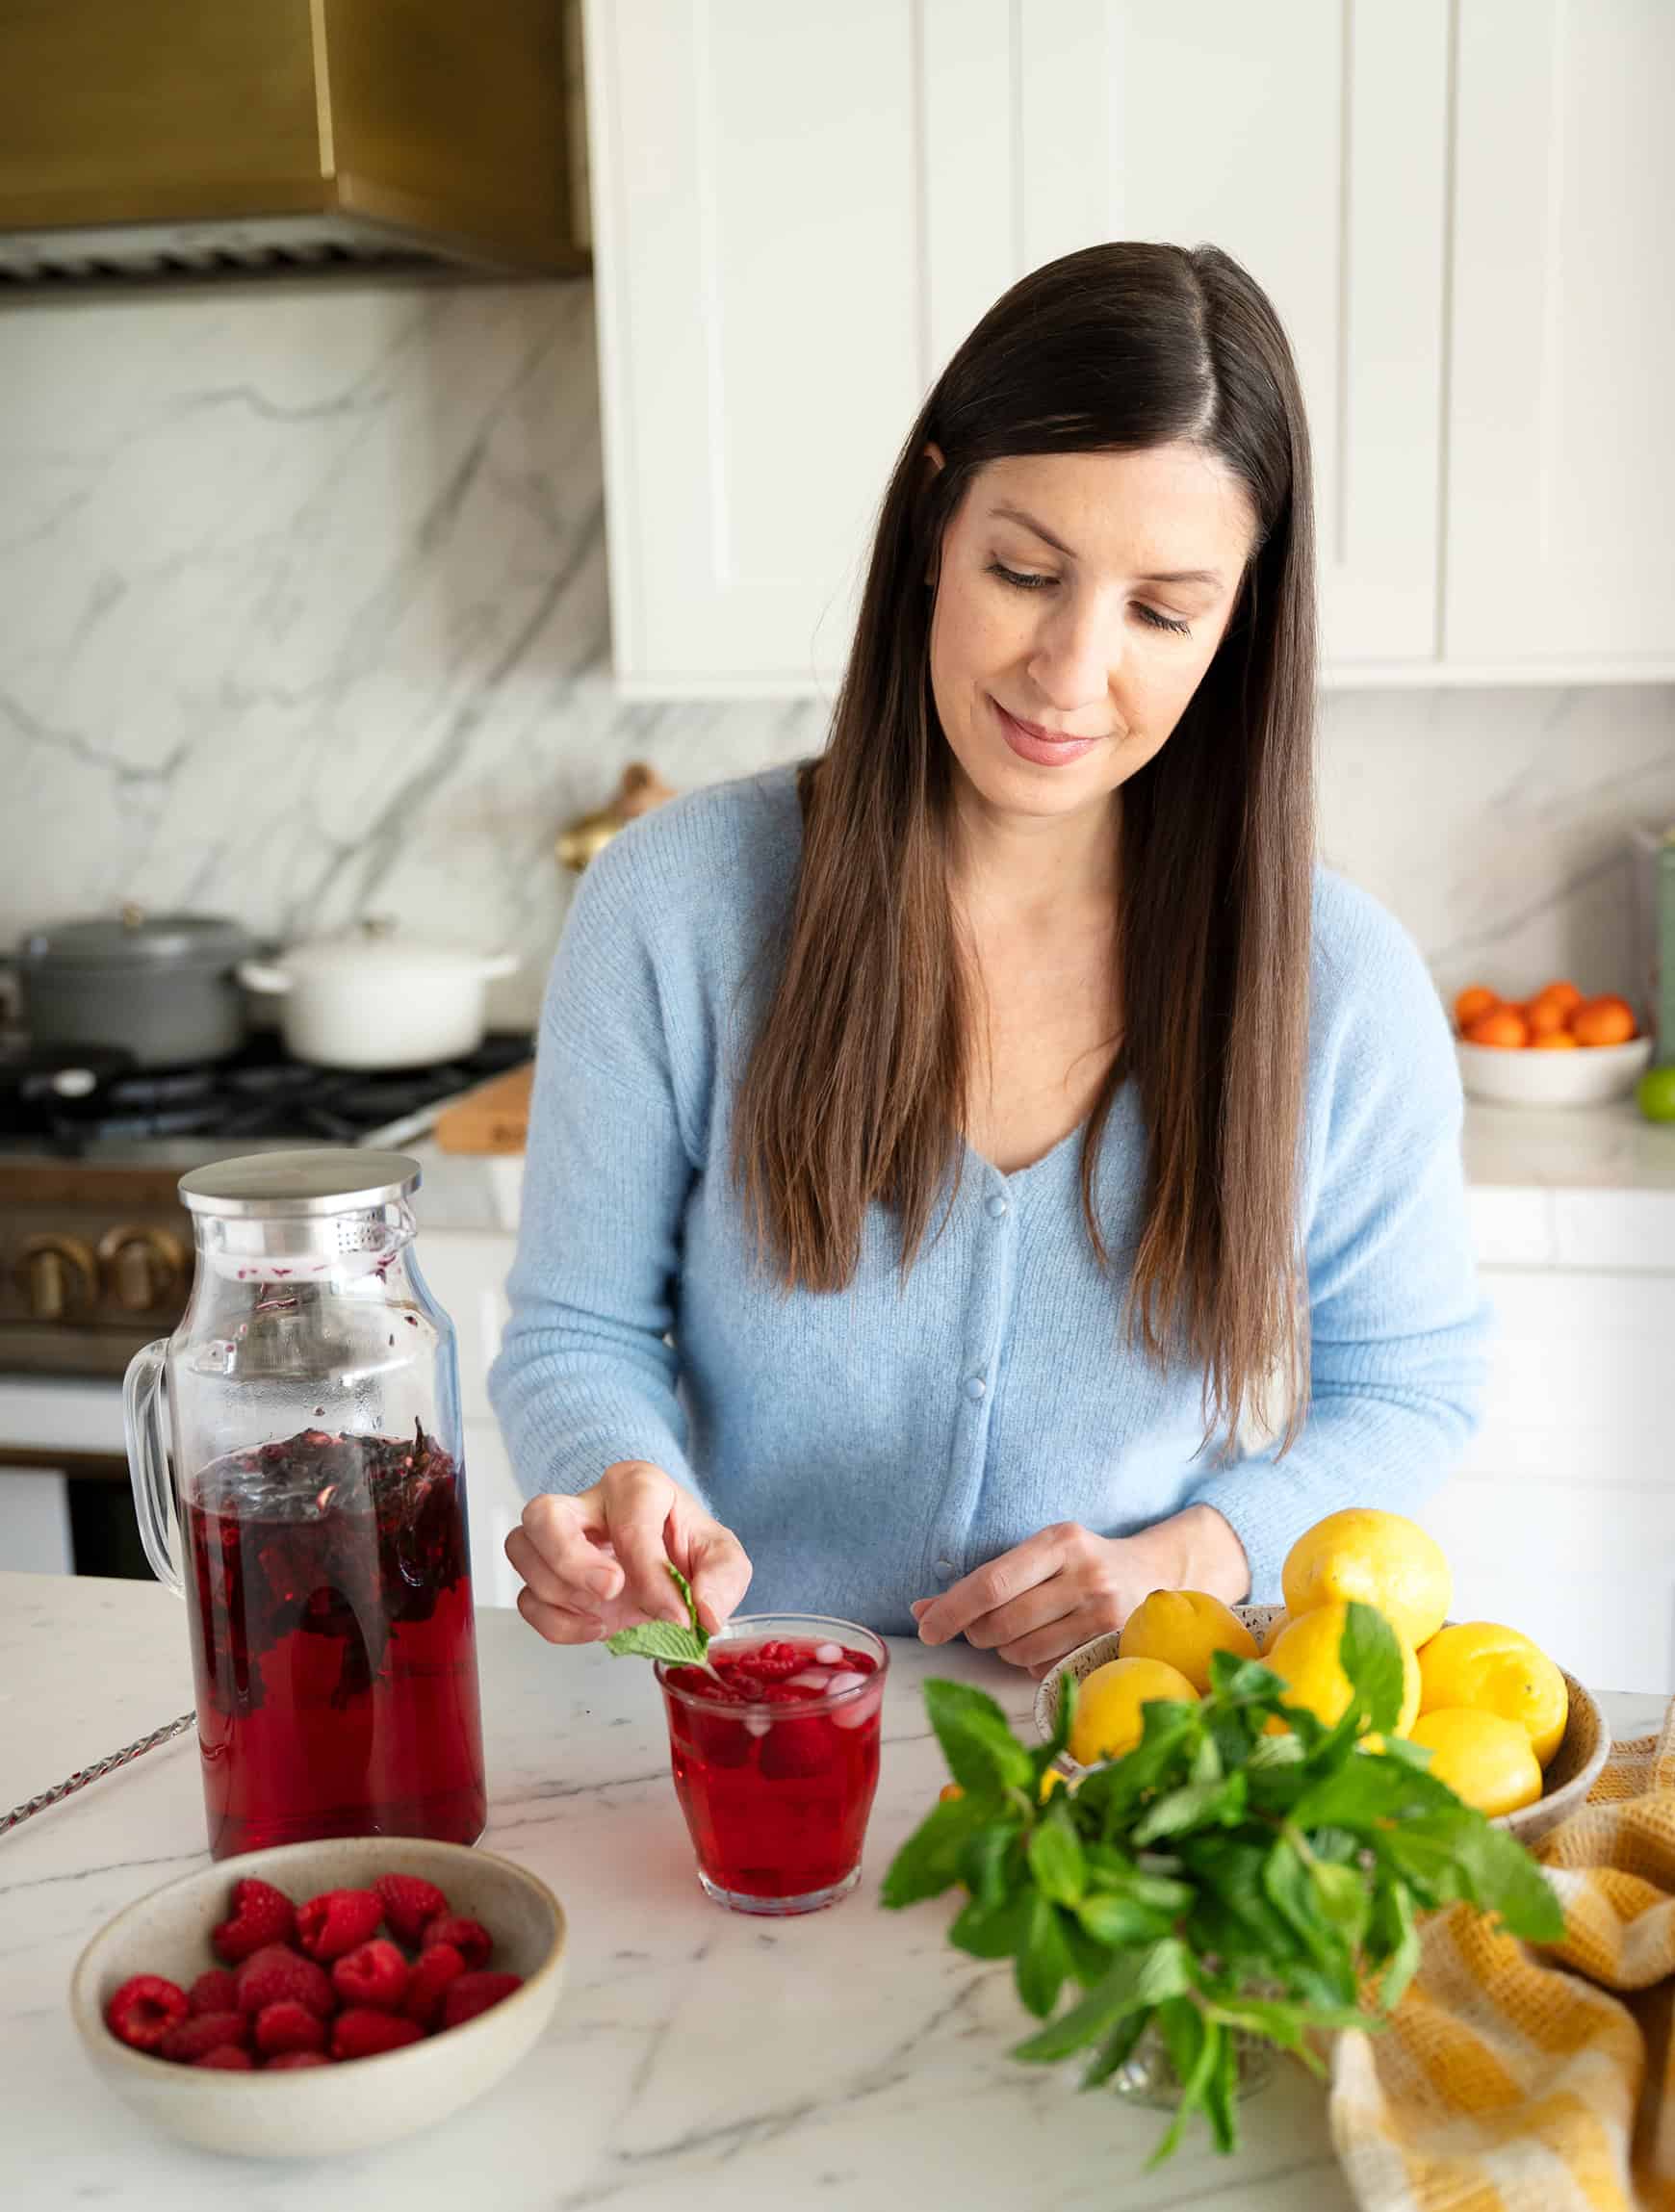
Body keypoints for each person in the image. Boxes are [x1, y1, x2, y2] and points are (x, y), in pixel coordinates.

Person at [488, 241, 1489, 1680]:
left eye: (1161, 609)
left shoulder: (1340, 981)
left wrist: (1195, 1559)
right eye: (1026, 570)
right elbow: (578, 1328)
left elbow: (1413, 1378)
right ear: (934, 524)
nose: (1071, 671)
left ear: (1240, 622)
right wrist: (625, 1489)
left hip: (1126, 1749)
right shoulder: (678, 903)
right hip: (749, 1718)